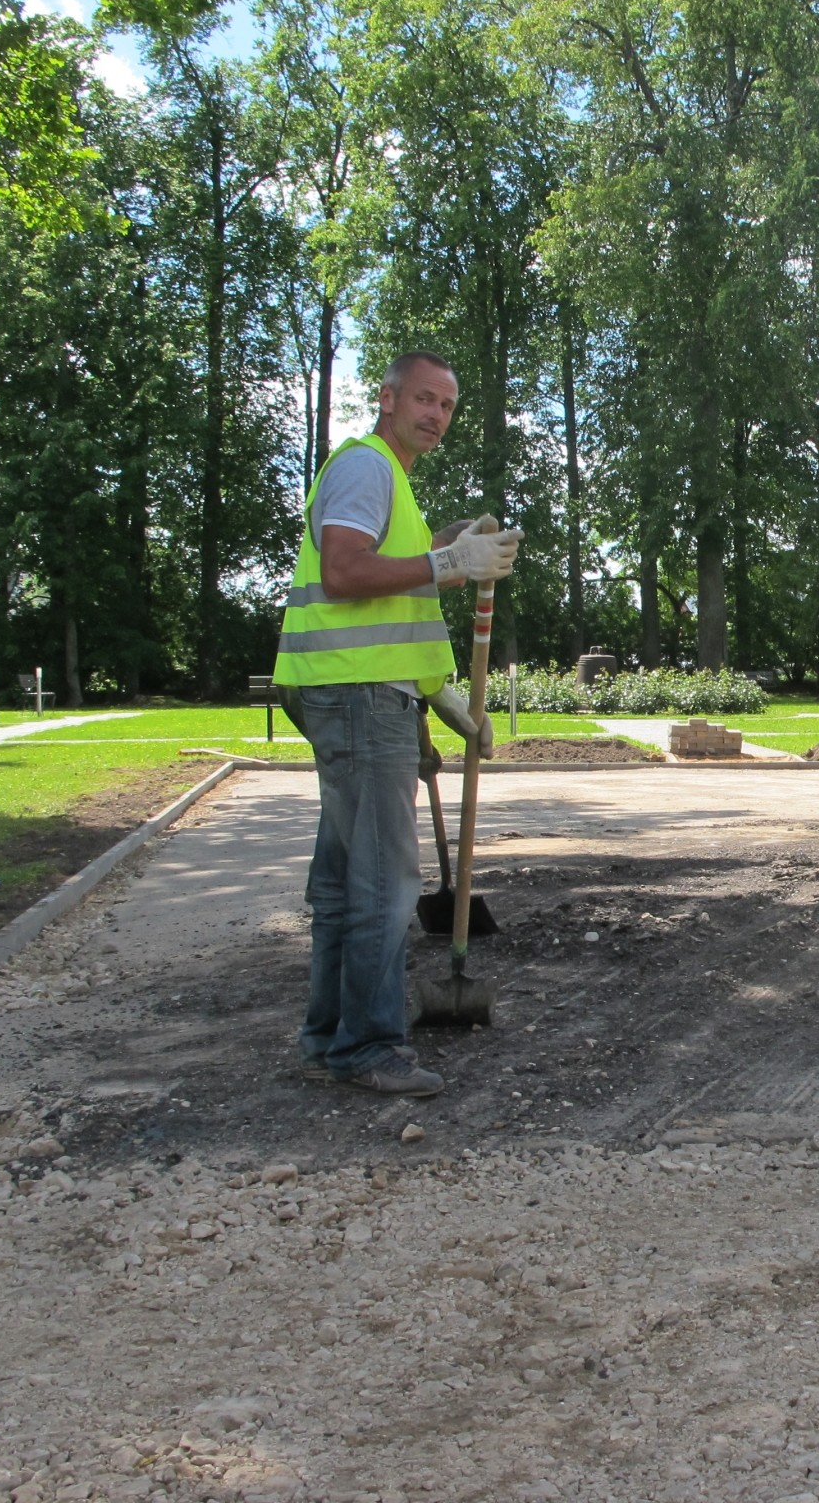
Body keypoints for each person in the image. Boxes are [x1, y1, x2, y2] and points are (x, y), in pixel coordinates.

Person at [273, 351, 522, 1096]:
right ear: (386, 398)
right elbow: (345, 573)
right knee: (383, 883)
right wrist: (448, 564)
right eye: (423, 399)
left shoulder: (394, 485)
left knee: (345, 882)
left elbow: (392, 611)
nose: (435, 415)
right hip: (356, 697)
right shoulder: (367, 467)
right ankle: (369, 1046)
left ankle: (327, 1037)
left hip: (360, 693)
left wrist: (441, 698)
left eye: (446, 405)